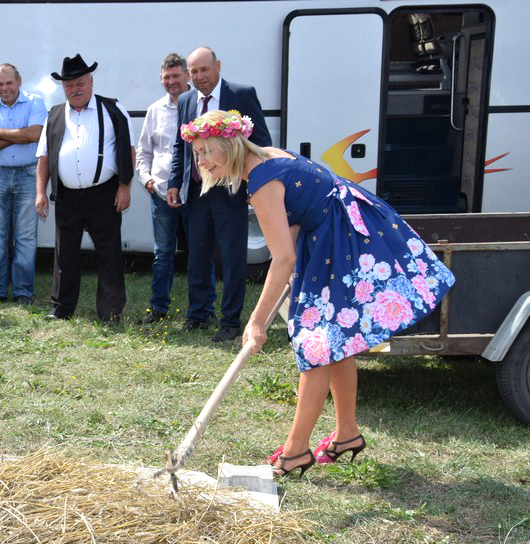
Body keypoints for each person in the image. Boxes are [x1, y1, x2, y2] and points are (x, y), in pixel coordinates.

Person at [184, 109, 455, 477]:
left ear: (227, 144)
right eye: (196, 153)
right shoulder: (269, 155)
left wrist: (257, 322)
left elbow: (281, 258)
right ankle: (346, 434)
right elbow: (293, 227)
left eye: (204, 151)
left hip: (342, 243)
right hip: (339, 235)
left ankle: (296, 452)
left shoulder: (261, 182)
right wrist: (297, 270)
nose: (200, 162)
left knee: (315, 346)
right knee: (334, 342)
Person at [167, 47, 271, 342]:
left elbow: (261, 142)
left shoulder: (242, 93)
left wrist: (254, 185)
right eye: (194, 71)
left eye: (204, 70)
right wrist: (175, 181)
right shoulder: (186, 100)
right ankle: (198, 315)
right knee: (197, 255)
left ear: (218, 66)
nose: (199, 77)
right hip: (197, 192)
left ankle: (230, 322)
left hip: (231, 191)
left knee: (232, 257)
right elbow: (180, 147)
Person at [35, 54, 134, 323]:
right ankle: (61, 308)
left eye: (79, 83)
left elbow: (128, 151)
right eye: (68, 85)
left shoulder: (114, 110)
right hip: (66, 196)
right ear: (62, 88)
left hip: (104, 193)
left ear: (90, 81)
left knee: (109, 254)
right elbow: (43, 157)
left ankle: (111, 311)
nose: (75, 89)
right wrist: (40, 192)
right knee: (64, 254)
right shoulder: (54, 115)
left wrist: (124, 186)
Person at [0, 63, 47, 305]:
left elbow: (36, 134)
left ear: (19, 80)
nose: (5, 88)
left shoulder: (35, 102)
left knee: (26, 236)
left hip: (28, 174)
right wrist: (17, 135)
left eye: (9, 82)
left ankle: (22, 292)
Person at [135, 53, 191, 324]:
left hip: (195, 192)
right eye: (167, 77)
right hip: (160, 194)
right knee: (163, 253)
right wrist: (146, 179)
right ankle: (158, 308)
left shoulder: (201, 107)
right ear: (161, 79)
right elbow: (144, 151)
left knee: (200, 253)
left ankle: (200, 311)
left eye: (176, 76)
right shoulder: (155, 110)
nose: (172, 81)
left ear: (187, 75)